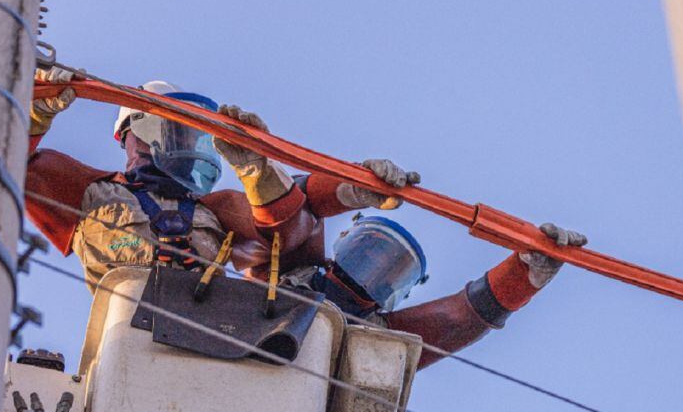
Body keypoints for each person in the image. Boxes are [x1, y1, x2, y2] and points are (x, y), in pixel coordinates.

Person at [23, 67, 421, 289]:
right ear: (139, 132)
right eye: (181, 131)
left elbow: (293, 221)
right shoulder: (90, 193)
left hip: (209, 344)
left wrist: (349, 187)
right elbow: (3, 165)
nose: (191, 145)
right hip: (123, 346)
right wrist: (35, 113)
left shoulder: (216, 212)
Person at [281, 214, 587, 369]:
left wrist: (526, 273)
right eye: (372, 252)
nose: (375, 265)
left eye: (390, 266)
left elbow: (457, 318)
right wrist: (343, 190)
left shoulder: (375, 335)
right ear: (350, 242)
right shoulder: (293, 270)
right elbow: (294, 216)